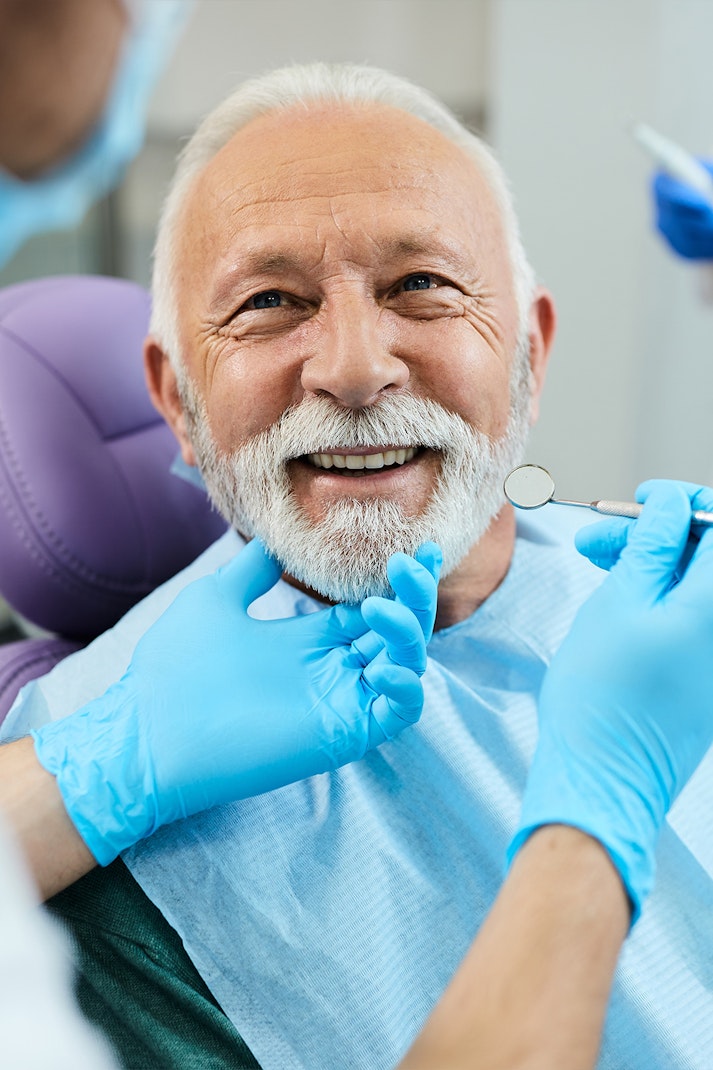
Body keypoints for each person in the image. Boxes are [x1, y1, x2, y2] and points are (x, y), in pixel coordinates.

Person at [1, 59, 713, 1070]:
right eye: (270, 300)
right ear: (176, 401)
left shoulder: (665, 601)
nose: (351, 368)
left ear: (530, 356)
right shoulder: (99, 826)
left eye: (419, 284)